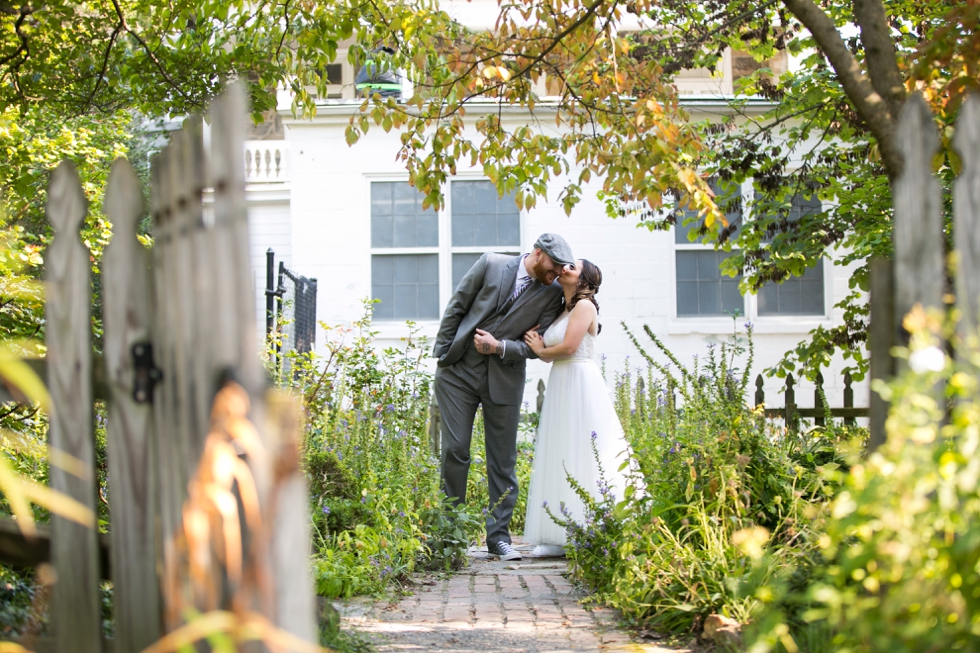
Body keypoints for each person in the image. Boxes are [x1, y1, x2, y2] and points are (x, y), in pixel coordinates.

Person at [432, 234, 574, 561]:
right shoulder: (491, 263)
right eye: (553, 265)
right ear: (538, 254)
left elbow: (539, 345)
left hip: (505, 378)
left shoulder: (553, 295)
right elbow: (458, 304)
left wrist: (500, 347)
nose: (556, 273)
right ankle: (450, 536)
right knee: (455, 451)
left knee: (503, 461)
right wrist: (443, 354)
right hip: (458, 373)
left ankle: (498, 538)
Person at [522, 259, 631, 557]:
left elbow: (569, 348)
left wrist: (540, 350)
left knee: (585, 449)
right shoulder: (564, 309)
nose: (564, 268)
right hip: (562, 378)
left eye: (572, 266)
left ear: (585, 278)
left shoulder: (585, 307)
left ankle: (593, 526)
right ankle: (558, 533)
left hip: (580, 378)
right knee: (561, 449)